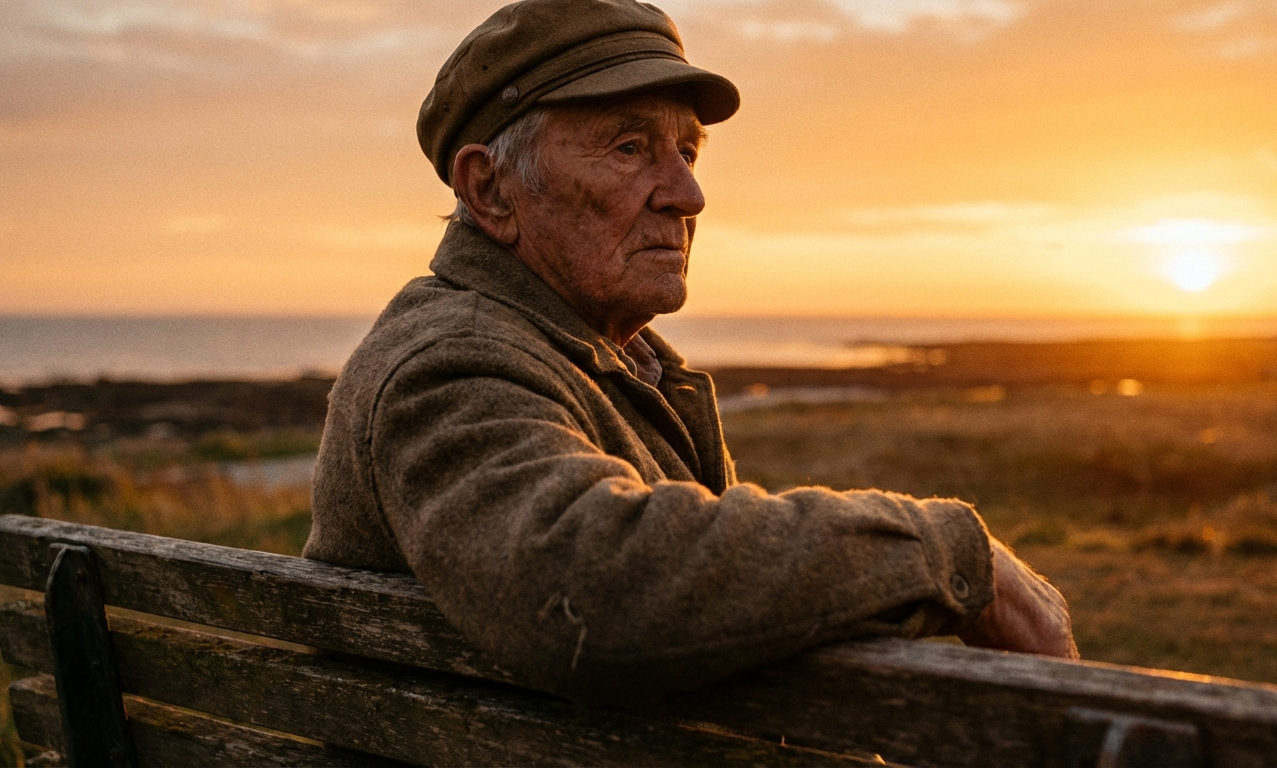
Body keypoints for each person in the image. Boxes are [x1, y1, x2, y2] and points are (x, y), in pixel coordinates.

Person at [303, 0, 1076, 703]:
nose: (687, 194)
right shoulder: (450, 365)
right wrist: (946, 554)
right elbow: (587, 589)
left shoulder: (590, 355)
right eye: (632, 147)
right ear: (492, 190)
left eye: (689, 152)